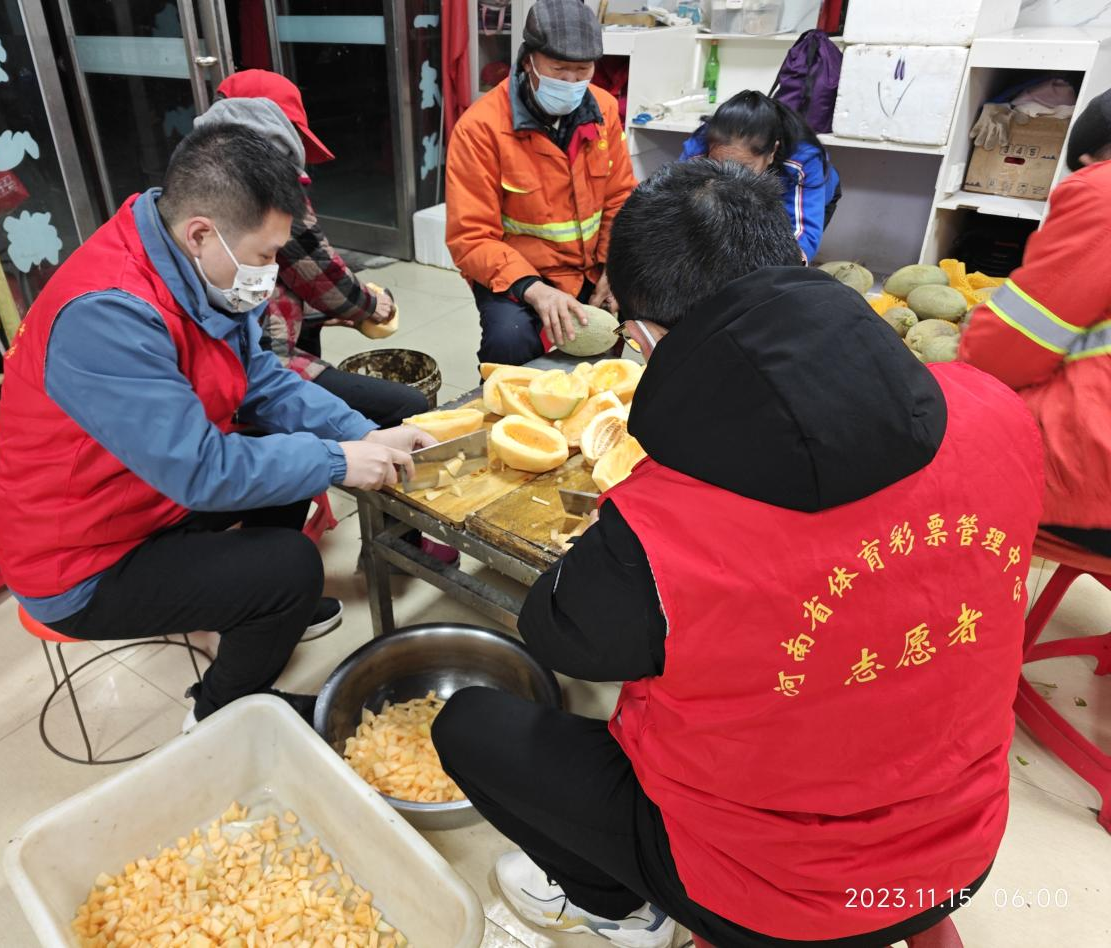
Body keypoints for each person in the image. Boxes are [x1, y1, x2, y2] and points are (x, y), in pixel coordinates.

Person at [432, 161, 1045, 948]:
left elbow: (558, 636)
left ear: (646, 337)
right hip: (961, 845)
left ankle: (620, 908)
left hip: (760, 889)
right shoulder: (997, 412)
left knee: (469, 726)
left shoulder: (662, 525)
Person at [0, 124, 431, 725]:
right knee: (290, 568)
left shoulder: (197, 271)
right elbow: (200, 472)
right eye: (265, 256)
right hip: (80, 556)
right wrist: (338, 460)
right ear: (201, 233)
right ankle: (219, 711)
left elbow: (262, 381)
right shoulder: (108, 314)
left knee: (287, 458)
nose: (270, 273)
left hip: (144, 498)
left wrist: (361, 433)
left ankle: (257, 610)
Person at [198, 71, 458, 566]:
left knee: (307, 432)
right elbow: (319, 275)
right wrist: (366, 308)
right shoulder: (255, 200)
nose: (268, 262)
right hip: (239, 388)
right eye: (266, 254)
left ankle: (274, 566)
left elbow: (273, 312)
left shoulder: (216, 218)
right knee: (397, 406)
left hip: (258, 362)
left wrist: (355, 435)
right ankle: (394, 547)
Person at [198, 69, 428, 430]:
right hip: (252, 365)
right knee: (407, 406)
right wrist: (368, 304)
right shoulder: (264, 189)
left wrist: (320, 312)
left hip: (243, 351)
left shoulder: (197, 176)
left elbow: (262, 290)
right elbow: (316, 270)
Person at [960, 87, 1111, 557]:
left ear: (1090, 157)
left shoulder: (1102, 190)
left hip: (1093, 492)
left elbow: (1010, 345)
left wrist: (959, 371)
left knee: (942, 458)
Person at [445, 0, 637, 366]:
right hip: (518, 272)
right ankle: (507, 400)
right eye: (559, 69)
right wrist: (534, 290)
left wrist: (614, 266)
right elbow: (470, 236)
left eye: (582, 70)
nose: (571, 82)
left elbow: (620, 199)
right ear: (528, 61)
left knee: (621, 322)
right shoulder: (480, 128)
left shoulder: (604, 109)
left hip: (591, 265)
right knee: (510, 339)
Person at [680, 90, 841, 262]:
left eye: (743, 168)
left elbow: (801, 235)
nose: (729, 178)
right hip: (746, 197)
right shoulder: (698, 151)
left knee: (769, 256)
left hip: (801, 197)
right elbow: (675, 205)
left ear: (771, 152)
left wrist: (787, 267)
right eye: (718, 165)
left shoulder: (801, 159)